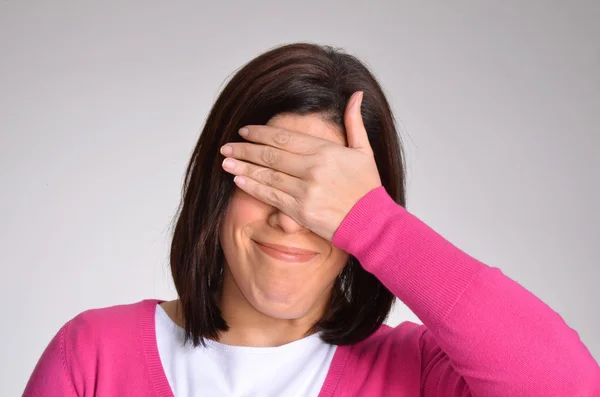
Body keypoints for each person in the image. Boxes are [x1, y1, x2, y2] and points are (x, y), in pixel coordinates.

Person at [23, 42, 599, 397]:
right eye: (272, 179)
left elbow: (570, 387)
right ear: (216, 190)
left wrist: (375, 225)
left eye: (326, 200)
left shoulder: (419, 373)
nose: (291, 221)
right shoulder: (92, 357)